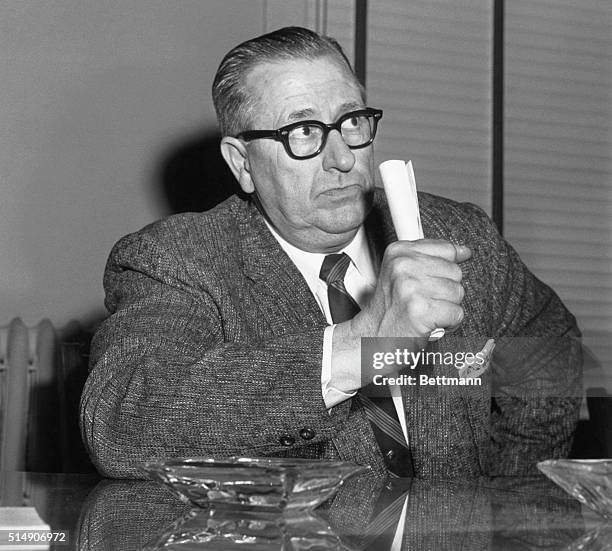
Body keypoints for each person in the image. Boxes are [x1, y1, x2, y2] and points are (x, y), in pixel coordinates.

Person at [79, 26, 582, 479]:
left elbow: (550, 347)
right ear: (242, 164)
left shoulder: (456, 234)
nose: (342, 159)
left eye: (352, 122)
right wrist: (362, 343)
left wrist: (509, 496)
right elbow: (121, 421)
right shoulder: (177, 261)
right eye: (303, 132)